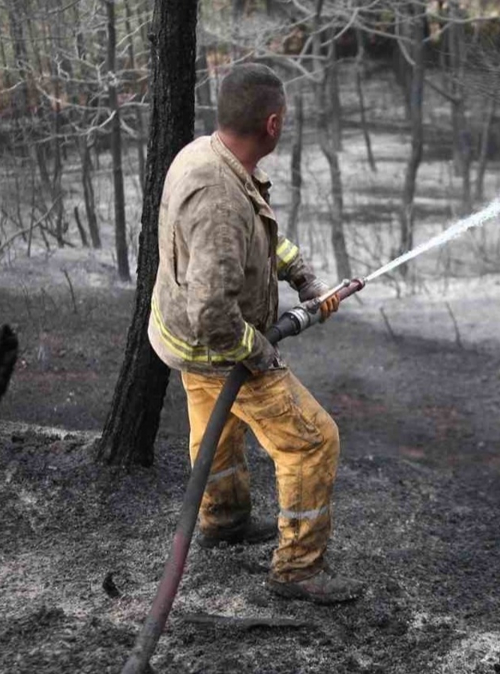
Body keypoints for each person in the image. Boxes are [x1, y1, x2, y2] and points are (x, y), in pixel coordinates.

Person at [147, 63, 363, 604]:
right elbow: (215, 318)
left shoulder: (208, 155)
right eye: (283, 119)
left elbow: (259, 236)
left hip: (183, 342)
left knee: (215, 433)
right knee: (314, 441)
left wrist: (305, 280)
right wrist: (262, 353)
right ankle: (297, 571)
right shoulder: (217, 196)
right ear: (272, 123)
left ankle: (222, 521)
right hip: (216, 345)